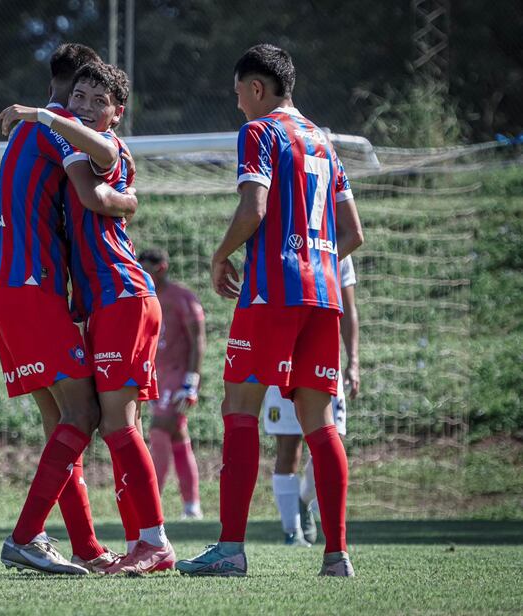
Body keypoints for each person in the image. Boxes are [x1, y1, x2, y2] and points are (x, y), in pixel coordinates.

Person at [176, 44, 363, 578]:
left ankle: (230, 548)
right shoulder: (325, 143)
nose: (238, 106)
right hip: (324, 296)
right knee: (319, 425)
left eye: (239, 94)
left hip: (270, 295)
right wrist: (314, 260)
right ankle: (336, 556)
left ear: (257, 88)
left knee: (239, 410)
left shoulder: (261, 133)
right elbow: (353, 233)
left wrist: (220, 256)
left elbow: (254, 206)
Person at [0, 62, 174, 575]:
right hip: (101, 303)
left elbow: (94, 189)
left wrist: (42, 115)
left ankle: (154, 542)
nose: (84, 105)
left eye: (99, 100)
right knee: (113, 425)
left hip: (124, 293)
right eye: (78, 94)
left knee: (117, 424)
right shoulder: (74, 145)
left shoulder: (106, 146)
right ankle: (124, 544)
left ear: (117, 114)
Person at [264, 255, 359, 547]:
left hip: (325, 361)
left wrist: (353, 361)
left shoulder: (335, 247)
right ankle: (292, 533)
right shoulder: (279, 247)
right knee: (288, 448)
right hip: (283, 361)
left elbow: (349, 311)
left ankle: (304, 498)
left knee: (330, 445)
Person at [139, 247, 206, 520]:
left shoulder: (182, 298)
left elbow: (198, 341)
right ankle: (192, 506)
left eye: (146, 269)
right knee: (178, 437)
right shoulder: (144, 298)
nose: (141, 274)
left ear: (161, 268)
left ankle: (149, 505)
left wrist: (191, 382)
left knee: (158, 432)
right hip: (157, 377)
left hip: (178, 377)